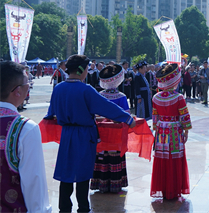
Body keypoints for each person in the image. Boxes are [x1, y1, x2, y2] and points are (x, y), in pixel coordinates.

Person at [45, 55, 136, 213]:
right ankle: (83, 208)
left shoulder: (58, 88)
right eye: (87, 69)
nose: (87, 72)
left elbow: (51, 114)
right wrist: (127, 118)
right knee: (83, 173)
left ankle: (64, 208)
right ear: (81, 70)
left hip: (67, 135)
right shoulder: (86, 89)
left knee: (66, 172)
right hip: (84, 135)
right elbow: (106, 107)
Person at [0, 61, 52, 212]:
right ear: (17, 91)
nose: (29, 86)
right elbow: (34, 184)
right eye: (27, 83)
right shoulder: (25, 129)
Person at [151, 63, 192, 200]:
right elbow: (184, 116)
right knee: (174, 158)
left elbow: (155, 118)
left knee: (163, 158)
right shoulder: (179, 97)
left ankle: (163, 189)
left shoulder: (156, 98)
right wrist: (186, 131)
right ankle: (174, 189)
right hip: (174, 130)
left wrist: (156, 131)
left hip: (162, 131)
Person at [91, 64, 131, 193]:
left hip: (101, 133)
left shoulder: (99, 95)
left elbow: (94, 114)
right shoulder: (121, 97)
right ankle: (115, 184)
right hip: (115, 134)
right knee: (114, 156)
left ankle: (100, 183)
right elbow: (126, 116)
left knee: (102, 156)